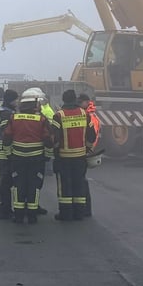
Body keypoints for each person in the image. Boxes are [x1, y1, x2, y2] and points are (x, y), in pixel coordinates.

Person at [2, 87, 50, 224]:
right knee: (34, 185)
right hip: (36, 159)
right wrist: (48, 155)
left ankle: (18, 216)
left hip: (17, 158)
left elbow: (7, 137)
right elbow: (48, 140)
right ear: (35, 104)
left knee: (18, 185)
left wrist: (8, 153)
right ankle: (32, 216)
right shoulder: (41, 119)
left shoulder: (14, 117)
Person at [50, 89, 96, 221]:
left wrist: (55, 154)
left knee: (65, 185)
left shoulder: (59, 115)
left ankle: (66, 214)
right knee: (79, 183)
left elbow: (55, 139)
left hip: (64, 158)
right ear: (75, 99)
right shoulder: (84, 114)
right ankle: (79, 213)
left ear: (63, 100)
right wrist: (86, 148)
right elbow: (92, 135)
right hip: (80, 157)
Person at [0, 89, 18, 219]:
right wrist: (10, 151)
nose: (17, 102)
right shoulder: (6, 113)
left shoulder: (6, 111)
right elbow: (5, 133)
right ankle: (4, 209)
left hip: (3, 151)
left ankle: (4, 208)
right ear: (10, 100)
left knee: (5, 182)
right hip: (4, 152)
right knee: (5, 182)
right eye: (15, 99)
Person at [76, 93, 101, 217]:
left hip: (86, 151)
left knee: (82, 182)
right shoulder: (86, 114)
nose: (79, 104)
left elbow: (93, 136)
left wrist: (88, 150)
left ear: (86, 102)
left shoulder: (91, 116)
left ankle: (86, 209)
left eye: (81, 102)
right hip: (84, 150)